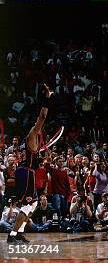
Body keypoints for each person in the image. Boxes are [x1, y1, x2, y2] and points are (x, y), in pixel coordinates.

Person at [8, 83, 54, 244]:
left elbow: (32, 157)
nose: (40, 126)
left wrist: (42, 158)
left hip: (25, 171)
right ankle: (12, 235)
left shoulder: (28, 142)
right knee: (29, 203)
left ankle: (18, 232)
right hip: (26, 172)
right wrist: (47, 98)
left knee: (31, 203)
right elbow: (42, 117)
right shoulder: (33, 133)